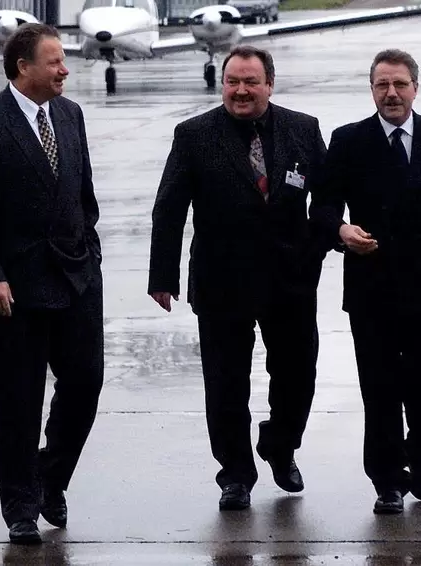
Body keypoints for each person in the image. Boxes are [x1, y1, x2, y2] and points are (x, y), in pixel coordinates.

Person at [147, 45, 329, 511]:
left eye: (250, 82)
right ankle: (235, 473)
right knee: (226, 383)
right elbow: (169, 208)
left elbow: (326, 200)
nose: (241, 91)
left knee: (297, 375)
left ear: (270, 83)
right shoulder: (193, 135)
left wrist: (323, 246)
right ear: (222, 83)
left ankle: (280, 446)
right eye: (232, 82)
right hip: (221, 279)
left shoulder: (302, 129)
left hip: (290, 278)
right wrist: (162, 275)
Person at [0, 24, 104, 544]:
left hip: (74, 278)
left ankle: (49, 478)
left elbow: (83, 198)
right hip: (10, 291)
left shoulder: (69, 114)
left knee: (84, 384)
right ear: (23, 68)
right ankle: (19, 507)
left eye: (64, 61)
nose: (65, 69)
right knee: (16, 400)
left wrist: (92, 258)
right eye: (55, 61)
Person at [312, 49, 421, 514]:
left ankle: (420, 456)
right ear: (372, 90)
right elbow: (322, 208)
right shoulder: (348, 141)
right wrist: (341, 232)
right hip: (373, 288)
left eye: (400, 84)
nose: (391, 93)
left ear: (415, 88)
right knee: (380, 387)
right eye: (382, 85)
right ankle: (386, 479)